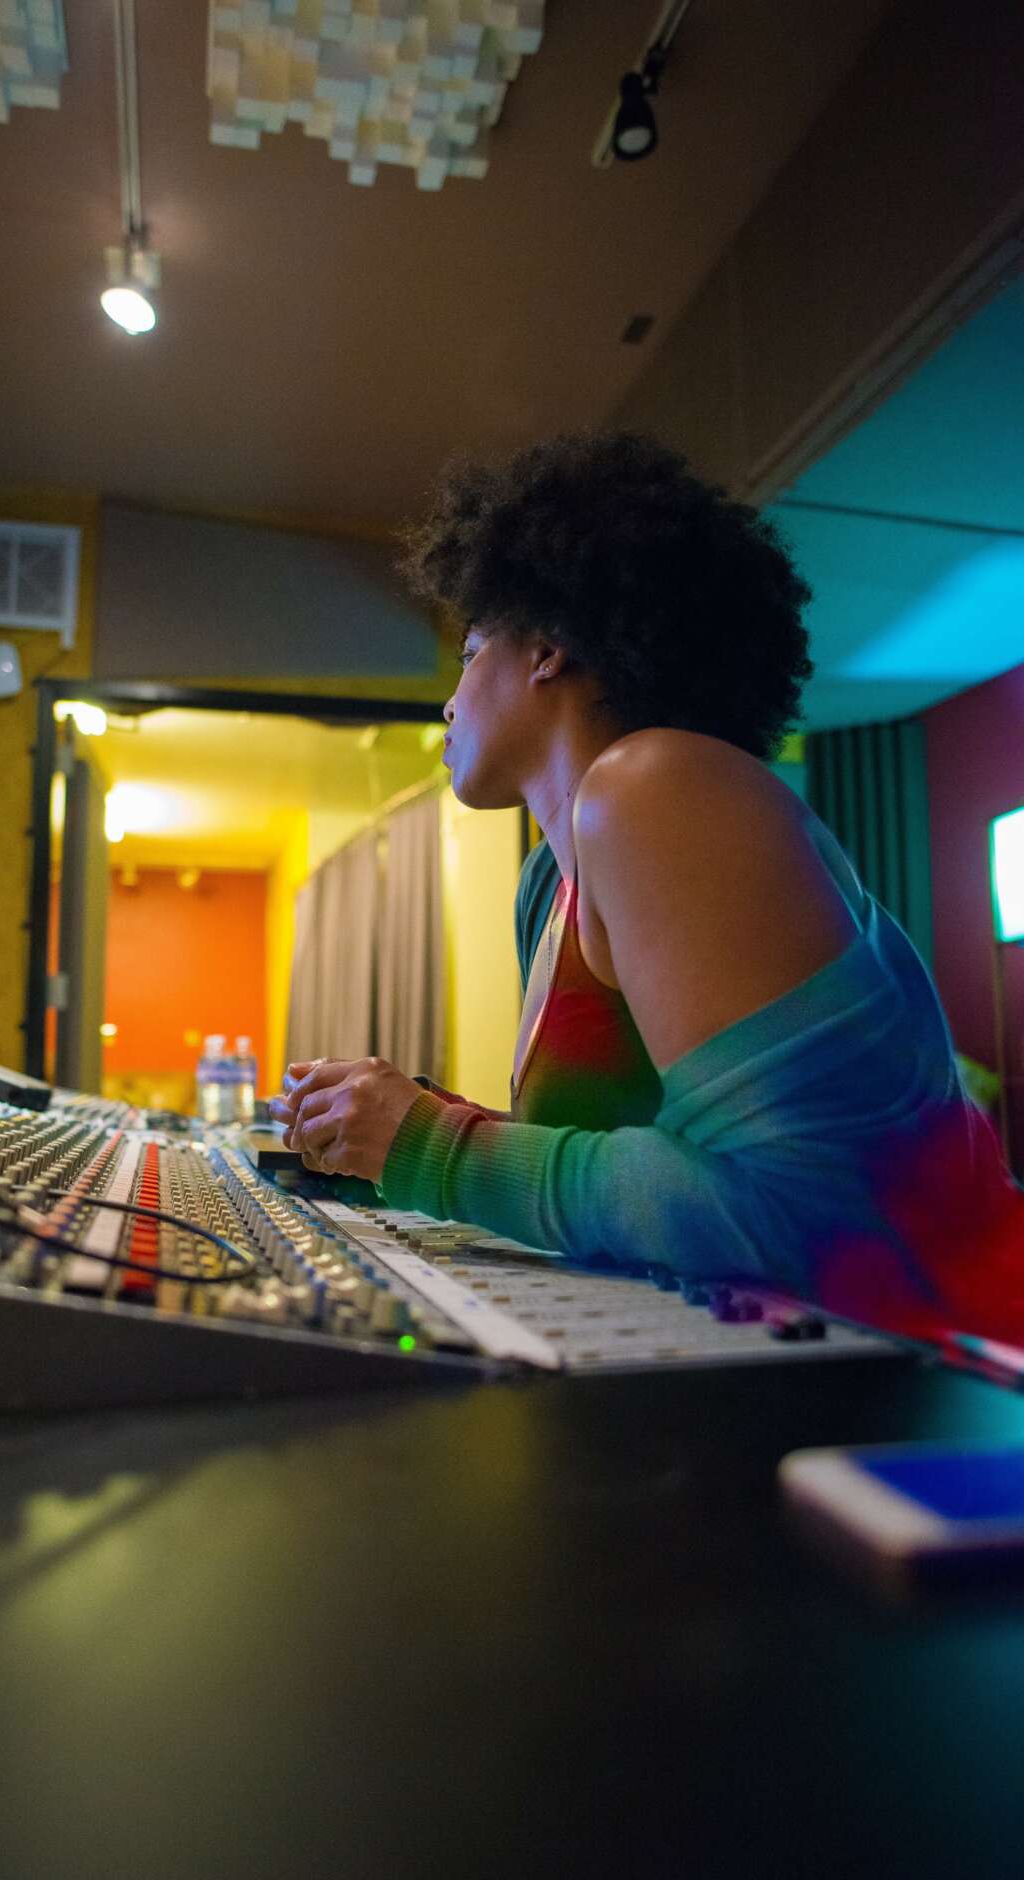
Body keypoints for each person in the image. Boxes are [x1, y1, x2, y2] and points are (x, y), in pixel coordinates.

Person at [272, 431, 1024, 1347]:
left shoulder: (655, 785)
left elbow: (808, 1211)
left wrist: (432, 1146)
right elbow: (651, 1171)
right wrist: (395, 1129)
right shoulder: (550, 882)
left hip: (959, 1371)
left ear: (546, 647)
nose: (449, 699)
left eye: (469, 651)